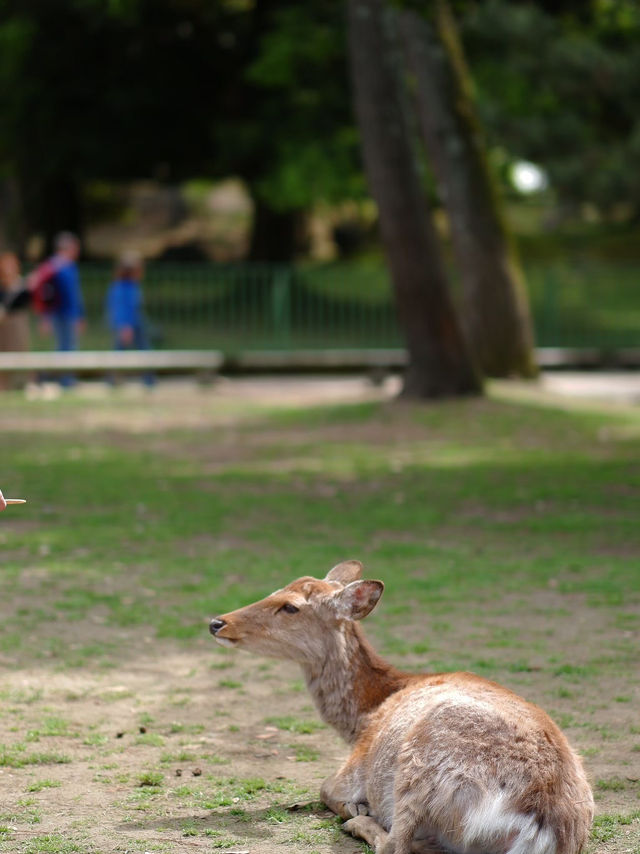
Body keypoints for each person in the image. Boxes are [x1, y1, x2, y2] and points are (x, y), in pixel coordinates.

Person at [30, 231, 86, 387]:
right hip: (65, 314)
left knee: (62, 347)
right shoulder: (65, 267)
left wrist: (45, 316)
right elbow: (73, 295)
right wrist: (79, 316)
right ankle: (65, 380)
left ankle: (61, 378)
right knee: (67, 348)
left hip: (57, 314)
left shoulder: (51, 265)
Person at [105, 252, 154, 386]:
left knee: (142, 351)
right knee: (123, 352)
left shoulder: (131, 286)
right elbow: (121, 309)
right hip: (127, 325)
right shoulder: (122, 287)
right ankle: (112, 380)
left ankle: (148, 379)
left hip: (136, 323)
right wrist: (125, 327)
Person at [0, 251, 31, 390]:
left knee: (19, 353)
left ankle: (19, 384)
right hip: (3, 327)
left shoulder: (21, 285)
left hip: (17, 325)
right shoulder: (2, 287)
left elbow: (24, 303)